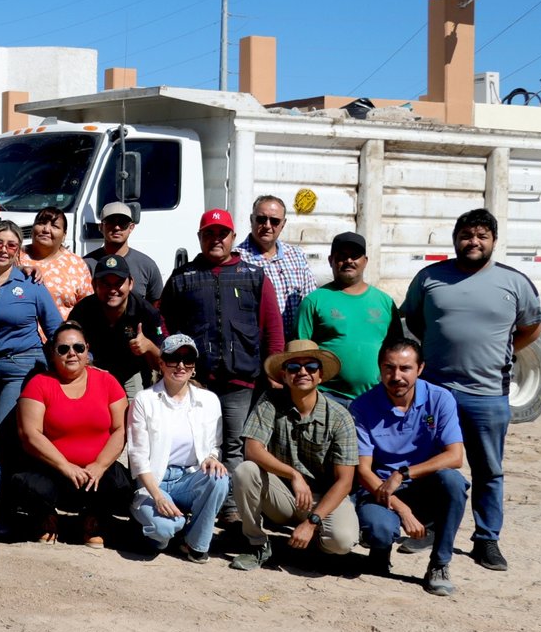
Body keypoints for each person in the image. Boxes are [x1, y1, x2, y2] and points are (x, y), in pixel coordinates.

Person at [402, 207, 541, 572]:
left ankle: (486, 540)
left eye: (482, 235)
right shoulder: (430, 277)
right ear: (455, 239)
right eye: (466, 235)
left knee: (488, 469)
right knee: (429, 464)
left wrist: (503, 351)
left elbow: (532, 327)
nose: (473, 242)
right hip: (436, 393)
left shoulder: (514, 282)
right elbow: (415, 320)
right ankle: (428, 527)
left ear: (494, 241)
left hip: (488, 394)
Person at [160, 208, 284, 472]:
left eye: (222, 233)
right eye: (209, 234)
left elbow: (272, 328)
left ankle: (232, 498)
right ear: (199, 237)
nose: (216, 239)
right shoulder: (182, 278)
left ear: (233, 237)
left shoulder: (254, 276)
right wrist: (176, 365)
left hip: (241, 382)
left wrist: (273, 370)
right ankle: (201, 492)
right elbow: (164, 323)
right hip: (196, 382)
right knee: (197, 445)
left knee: (236, 446)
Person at [227, 340, 359, 571]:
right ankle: (256, 544)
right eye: (294, 367)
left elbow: (345, 481)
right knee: (245, 471)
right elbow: (252, 449)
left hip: (323, 499)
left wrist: (312, 522)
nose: (303, 372)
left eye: (311, 366)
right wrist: (294, 475)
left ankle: (310, 543)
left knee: (342, 541)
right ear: (284, 375)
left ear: (320, 375)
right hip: (283, 496)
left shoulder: (340, 417)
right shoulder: (270, 400)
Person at [350, 337, 468, 595]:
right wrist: (402, 509)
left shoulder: (440, 399)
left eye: (405, 368)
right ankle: (380, 549)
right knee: (379, 530)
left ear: (420, 368)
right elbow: (363, 470)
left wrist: (403, 473)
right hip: (381, 489)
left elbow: (455, 456)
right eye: (389, 368)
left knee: (454, 482)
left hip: (423, 485)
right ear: (380, 368)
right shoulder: (362, 406)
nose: (397, 376)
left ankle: (439, 564)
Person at [10, 322, 132, 547]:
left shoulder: (107, 381)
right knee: (25, 484)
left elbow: (121, 429)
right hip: (54, 470)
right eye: (63, 349)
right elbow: (29, 434)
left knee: (120, 485)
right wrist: (65, 466)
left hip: (96, 472)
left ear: (87, 350)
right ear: (52, 353)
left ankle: (93, 519)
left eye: (78, 347)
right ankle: (46, 516)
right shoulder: (39, 383)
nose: (72, 353)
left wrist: (100, 465)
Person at [125, 334, 228, 562]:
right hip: (155, 481)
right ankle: (161, 528)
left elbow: (215, 445)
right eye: (173, 359)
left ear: (194, 367)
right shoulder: (144, 399)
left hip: (188, 479)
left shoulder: (209, 400)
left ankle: (195, 544)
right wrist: (158, 497)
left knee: (219, 478)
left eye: (188, 360)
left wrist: (212, 458)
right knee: (164, 531)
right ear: (161, 363)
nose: (181, 365)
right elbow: (138, 456)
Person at [0, 220, 61, 431]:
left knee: (3, 427)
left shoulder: (31, 283)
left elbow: (55, 328)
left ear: (18, 250)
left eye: (11, 245)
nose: (3, 250)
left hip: (21, 366)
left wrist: (76, 360)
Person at [296, 231, 401, 401]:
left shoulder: (385, 302)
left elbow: (397, 351)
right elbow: (299, 353)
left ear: (365, 261)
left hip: (375, 398)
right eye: (342, 256)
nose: (349, 261)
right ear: (331, 260)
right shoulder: (313, 301)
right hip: (327, 396)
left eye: (355, 256)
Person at [68, 255, 165, 404]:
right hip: (93, 370)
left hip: (132, 372)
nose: (112, 290)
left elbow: (163, 364)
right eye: (105, 284)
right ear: (94, 284)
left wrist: (149, 347)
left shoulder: (146, 312)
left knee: (136, 406)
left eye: (119, 283)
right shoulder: (82, 310)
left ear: (130, 283)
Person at [236, 194, 316, 339]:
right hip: (257, 345)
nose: (267, 225)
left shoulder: (297, 256)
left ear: (283, 224)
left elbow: (310, 302)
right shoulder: (237, 259)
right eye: (261, 219)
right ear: (251, 219)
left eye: (274, 221)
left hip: (295, 345)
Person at [16, 206, 93, 317]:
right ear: (32, 229)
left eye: (54, 226)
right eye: (41, 223)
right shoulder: (16, 257)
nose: (46, 230)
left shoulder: (77, 264)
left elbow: (88, 308)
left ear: (64, 235)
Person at [83, 202, 164, 304]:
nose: (117, 227)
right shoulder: (85, 265)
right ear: (101, 227)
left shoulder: (147, 266)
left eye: (123, 223)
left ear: (131, 227)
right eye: (110, 222)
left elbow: (156, 305)